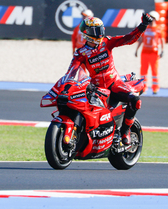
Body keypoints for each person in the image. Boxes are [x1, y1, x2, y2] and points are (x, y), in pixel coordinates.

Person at [65, 13, 153, 145]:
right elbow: (72, 72)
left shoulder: (107, 42)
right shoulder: (80, 53)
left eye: (101, 30)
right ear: (87, 33)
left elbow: (128, 39)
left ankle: (125, 131)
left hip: (115, 83)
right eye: (96, 31)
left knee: (135, 99)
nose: (100, 34)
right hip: (96, 87)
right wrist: (67, 87)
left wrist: (143, 25)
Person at [134, 11, 164, 94]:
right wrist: (137, 50)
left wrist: (162, 50)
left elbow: (162, 40)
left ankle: (155, 88)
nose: (151, 20)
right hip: (144, 52)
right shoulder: (146, 28)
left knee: (155, 71)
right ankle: (143, 87)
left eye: (153, 18)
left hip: (154, 53)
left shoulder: (159, 29)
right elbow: (141, 39)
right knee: (143, 70)